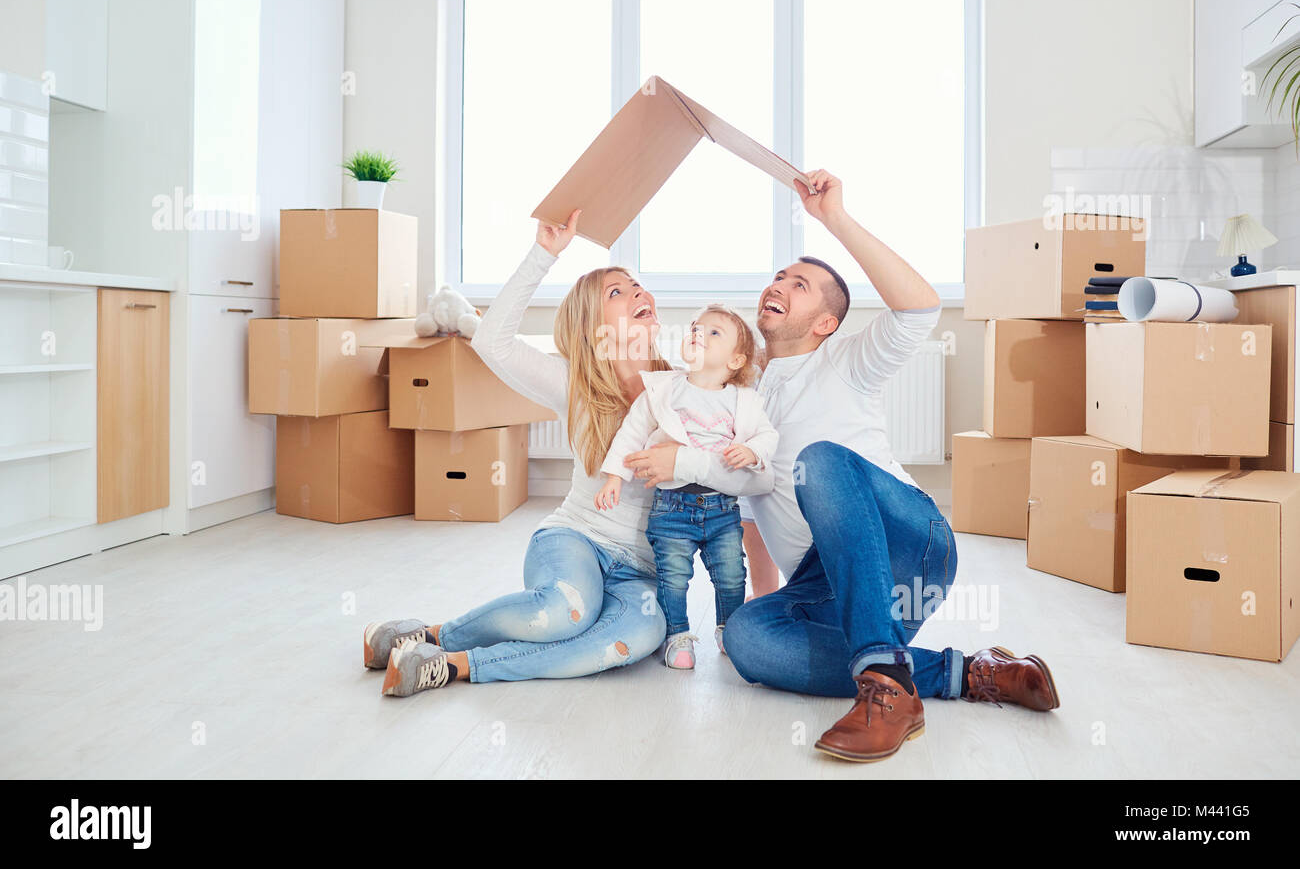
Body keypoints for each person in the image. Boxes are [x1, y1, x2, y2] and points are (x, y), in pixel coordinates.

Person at [625, 170, 1060, 763]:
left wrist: (835, 220)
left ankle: (884, 682)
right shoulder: (741, 400)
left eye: (800, 285)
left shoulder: (846, 360)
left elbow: (921, 306)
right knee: (750, 639)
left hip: (908, 546)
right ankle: (965, 674)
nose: (779, 284)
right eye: (779, 277)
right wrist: (767, 604)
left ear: (826, 322)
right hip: (825, 583)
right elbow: (754, 509)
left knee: (818, 462)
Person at [361, 210, 772, 696]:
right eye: (616, 293)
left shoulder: (691, 387)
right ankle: (432, 635)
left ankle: (454, 664)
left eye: (637, 285)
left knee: (634, 638)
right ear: (591, 324)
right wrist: (545, 254)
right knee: (565, 612)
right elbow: (491, 340)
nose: (638, 293)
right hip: (577, 538)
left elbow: (750, 480)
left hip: (646, 569)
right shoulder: (571, 383)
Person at [596, 304, 778, 670]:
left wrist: (752, 450)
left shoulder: (745, 400)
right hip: (672, 506)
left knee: (730, 574)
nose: (698, 333)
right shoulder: (664, 389)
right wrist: (615, 475)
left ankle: (729, 628)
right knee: (673, 577)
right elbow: (632, 432)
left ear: (736, 359)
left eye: (713, 333)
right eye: (695, 328)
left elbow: (767, 435)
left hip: (722, 508)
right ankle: (677, 635)